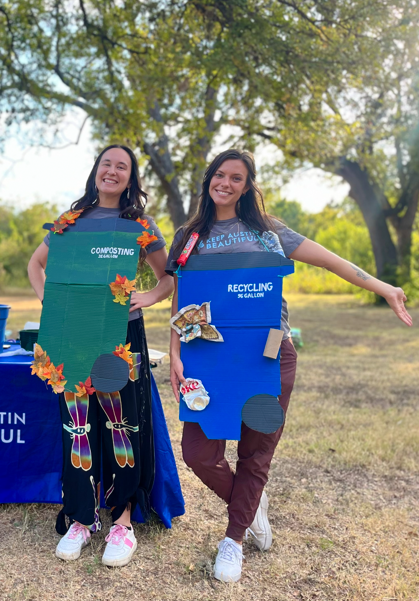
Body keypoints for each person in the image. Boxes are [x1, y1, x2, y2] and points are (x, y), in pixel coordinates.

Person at [165, 149, 412, 583]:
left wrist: (383, 286)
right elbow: (180, 299)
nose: (225, 183)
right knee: (198, 453)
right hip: (208, 357)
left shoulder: (269, 231)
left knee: (256, 451)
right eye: (219, 175)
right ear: (208, 180)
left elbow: (334, 262)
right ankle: (249, 502)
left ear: (247, 185)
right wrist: (175, 354)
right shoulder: (188, 236)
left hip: (270, 352)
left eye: (236, 177)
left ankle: (234, 539)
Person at [28, 144, 181, 567]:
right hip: (70, 336)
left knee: (120, 424)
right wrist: (51, 306)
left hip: (118, 335)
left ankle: (123, 520)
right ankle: (81, 517)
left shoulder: (139, 225)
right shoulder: (69, 223)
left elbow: (169, 276)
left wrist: (146, 297)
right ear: (96, 171)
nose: (112, 171)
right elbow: (35, 265)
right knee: (76, 425)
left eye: (122, 167)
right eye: (106, 164)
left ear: (130, 179)